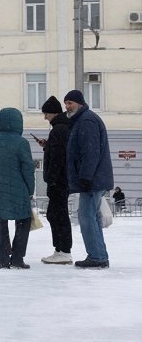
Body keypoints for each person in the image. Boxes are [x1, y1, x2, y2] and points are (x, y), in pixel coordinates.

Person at [65, 89, 114, 269]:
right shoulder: (82, 120)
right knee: (91, 217)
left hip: (93, 179)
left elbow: (90, 152)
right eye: (66, 103)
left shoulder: (86, 121)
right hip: (94, 178)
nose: (67, 107)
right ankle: (99, 255)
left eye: (70, 103)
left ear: (80, 103)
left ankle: (97, 257)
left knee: (86, 216)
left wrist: (85, 176)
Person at [0, 107, 34, 269]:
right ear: (19, 122)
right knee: (24, 221)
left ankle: (3, 258)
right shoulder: (22, 143)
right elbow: (28, 169)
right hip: (18, 192)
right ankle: (17, 257)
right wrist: (30, 189)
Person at [38, 96, 72, 264]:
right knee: (55, 214)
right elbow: (57, 151)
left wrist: (51, 179)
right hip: (60, 180)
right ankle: (60, 249)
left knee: (58, 215)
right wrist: (47, 145)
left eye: (46, 114)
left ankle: (63, 251)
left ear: (53, 113)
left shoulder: (59, 129)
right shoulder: (61, 128)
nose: (45, 118)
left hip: (58, 181)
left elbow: (59, 156)